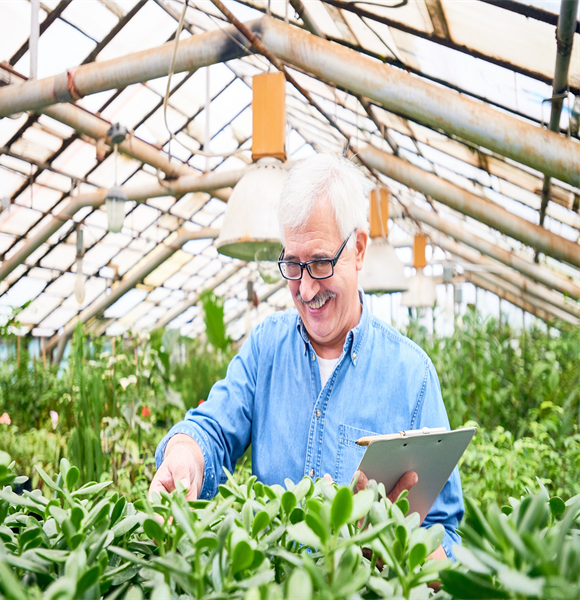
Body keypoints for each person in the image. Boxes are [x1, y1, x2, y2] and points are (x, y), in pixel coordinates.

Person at [150, 153, 463, 560]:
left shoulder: (411, 375)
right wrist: (185, 455)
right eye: (293, 265)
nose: (306, 289)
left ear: (359, 250)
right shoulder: (266, 348)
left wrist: (397, 543)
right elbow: (214, 427)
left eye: (319, 263)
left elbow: (448, 536)